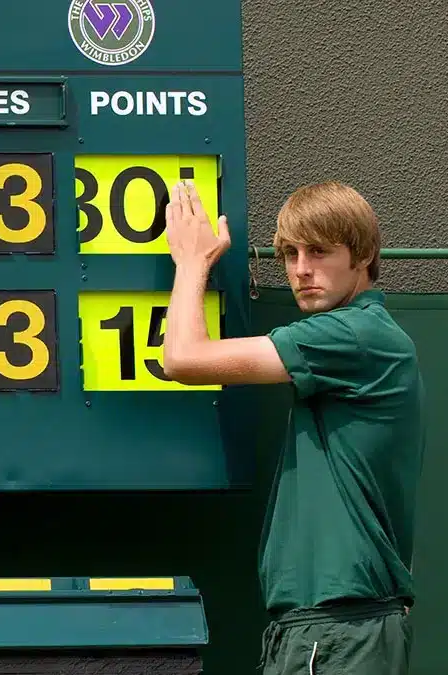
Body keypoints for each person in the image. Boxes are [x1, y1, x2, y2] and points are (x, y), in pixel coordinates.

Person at [162, 180, 425, 674]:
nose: (302, 269)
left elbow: (182, 358)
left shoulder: (358, 334)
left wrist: (192, 263)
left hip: (342, 628)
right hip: (315, 627)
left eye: (320, 252)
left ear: (364, 255)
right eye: (290, 253)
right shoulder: (353, 339)